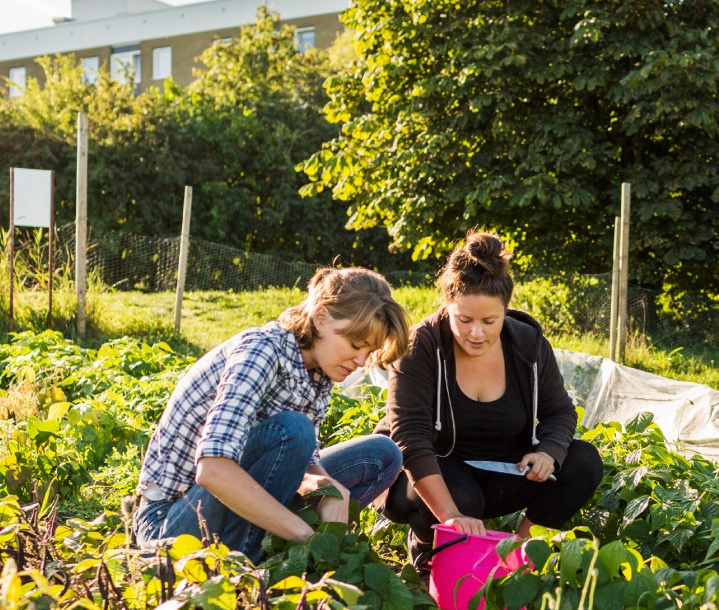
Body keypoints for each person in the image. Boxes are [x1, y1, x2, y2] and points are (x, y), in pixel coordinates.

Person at [133, 267, 410, 560]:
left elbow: (303, 458)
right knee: (293, 430)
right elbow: (212, 470)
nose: (361, 361)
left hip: (237, 501)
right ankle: (247, 564)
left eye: (369, 351)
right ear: (320, 317)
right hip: (172, 524)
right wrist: (303, 534)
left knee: (383, 454)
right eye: (355, 345)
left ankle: (277, 551)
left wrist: (326, 487)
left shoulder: (320, 371)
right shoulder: (261, 351)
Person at [375, 231, 604, 574]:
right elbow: (410, 439)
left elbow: (559, 412)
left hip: (497, 471)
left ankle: (515, 560)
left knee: (583, 462)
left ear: (505, 310)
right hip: (423, 474)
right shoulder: (420, 347)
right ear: (447, 306)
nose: (476, 333)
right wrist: (451, 516)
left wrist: (548, 453)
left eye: (489, 321)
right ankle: (427, 549)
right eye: (463, 320)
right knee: (464, 502)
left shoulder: (526, 342)